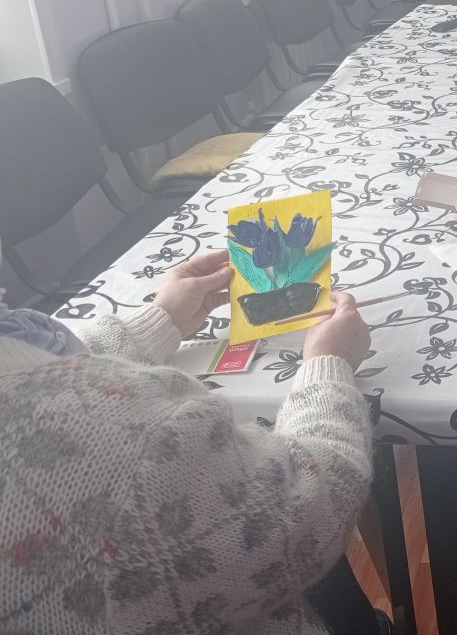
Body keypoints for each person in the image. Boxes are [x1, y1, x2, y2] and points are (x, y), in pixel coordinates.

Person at [0, 249, 387, 635]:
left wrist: (159, 320)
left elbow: (38, 368)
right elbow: (312, 503)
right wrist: (328, 365)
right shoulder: (119, 442)